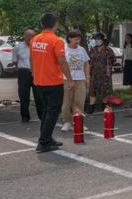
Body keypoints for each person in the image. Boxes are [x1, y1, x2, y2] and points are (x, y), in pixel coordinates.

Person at [30, 13, 71, 153]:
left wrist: (34, 74)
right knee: (52, 113)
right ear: (56, 24)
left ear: (42, 24)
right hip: (53, 81)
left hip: (39, 81)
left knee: (46, 112)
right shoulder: (56, 41)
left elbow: (32, 59)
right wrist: (70, 79)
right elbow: (62, 62)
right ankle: (43, 142)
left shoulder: (34, 39)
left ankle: (47, 138)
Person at [10, 28, 42, 123]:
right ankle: (25, 117)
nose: (31, 38)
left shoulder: (38, 46)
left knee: (39, 96)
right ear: (24, 36)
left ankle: (42, 116)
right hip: (23, 73)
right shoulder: (18, 47)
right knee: (24, 96)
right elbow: (15, 62)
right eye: (29, 36)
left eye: (33, 36)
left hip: (36, 72)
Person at [61, 30, 90, 132]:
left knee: (79, 101)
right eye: (76, 38)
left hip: (80, 78)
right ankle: (67, 121)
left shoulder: (82, 50)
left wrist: (87, 78)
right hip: (67, 79)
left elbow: (86, 64)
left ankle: (78, 122)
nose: (78, 41)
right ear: (70, 38)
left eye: (79, 39)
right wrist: (67, 79)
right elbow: (60, 64)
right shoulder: (64, 49)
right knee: (67, 101)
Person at [87, 34, 116, 113]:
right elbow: (88, 62)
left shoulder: (108, 50)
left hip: (105, 74)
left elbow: (113, 60)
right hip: (94, 74)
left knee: (105, 90)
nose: (97, 40)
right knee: (93, 90)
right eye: (95, 39)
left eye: (98, 39)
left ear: (103, 40)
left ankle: (104, 105)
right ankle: (91, 106)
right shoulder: (92, 50)